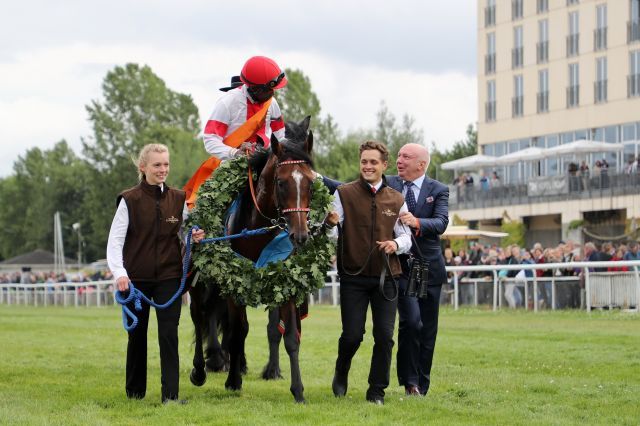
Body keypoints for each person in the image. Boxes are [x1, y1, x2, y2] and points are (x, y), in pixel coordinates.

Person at [107, 143, 205, 404]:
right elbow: (115, 242)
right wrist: (120, 274)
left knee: (168, 335)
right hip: (135, 281)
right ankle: (135, 392)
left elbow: (185, 231)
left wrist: (193, 234)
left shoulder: (179, 198)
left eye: (166, 164)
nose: (163, 170)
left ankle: (170, 396)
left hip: (170, 278)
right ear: (143, 167)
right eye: (157, 165)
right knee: (137, 336)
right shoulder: (129, 200)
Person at [324, 140, 412, 405]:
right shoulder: (343, 193)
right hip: (353, 276)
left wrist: (395, 244)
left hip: (387, 277)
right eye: (364, 161)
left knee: (385, 337)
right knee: (352, 335)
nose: (368, 166)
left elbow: (406, 238)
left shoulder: (397, 199)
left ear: (384, 165)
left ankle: (376, 391)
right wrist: (329, 225)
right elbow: (330, 235)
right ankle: (342, 368)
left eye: (374, 162)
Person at [386, 143, 449, 397]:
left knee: (427, 329)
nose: (399, 160)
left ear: (421, 164)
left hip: (429, 269)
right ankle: (409, 381)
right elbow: (352, 188)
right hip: (401, 267)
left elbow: (441, 222)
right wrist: (318, 178)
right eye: (399, 156)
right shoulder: (389, 183)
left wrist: (417, 221)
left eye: (406, 157)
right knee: (411, 322)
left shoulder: (439, 190)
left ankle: (421, 384)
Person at [184, 56, 288, 207]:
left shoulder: (272, 103)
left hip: (264, 164)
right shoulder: (227, 102)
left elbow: (281, 136)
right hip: (231, 166)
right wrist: (235, 153)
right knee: (201, 208)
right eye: (270, 89)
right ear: (256, 89)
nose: (273, 93)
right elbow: (210, 140)